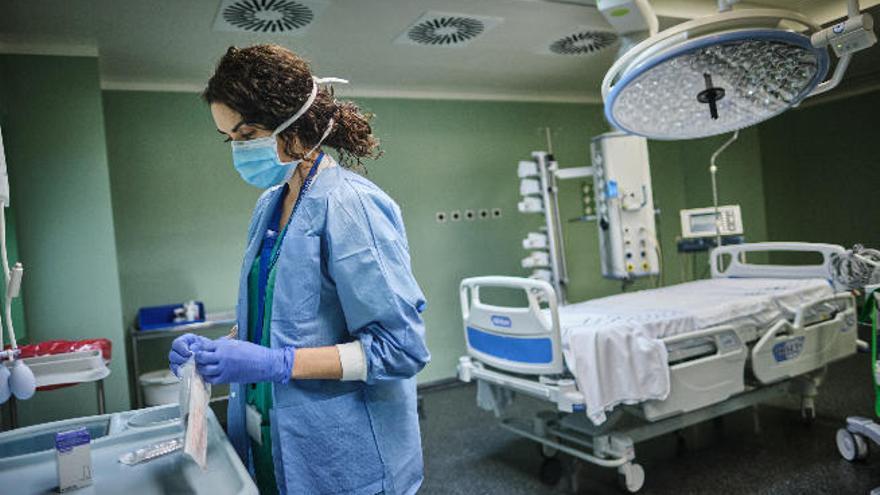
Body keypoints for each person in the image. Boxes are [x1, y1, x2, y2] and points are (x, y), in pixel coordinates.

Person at [168, 44, 430, 495]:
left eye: (247, 132)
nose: (238, 149)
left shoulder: (351, 206)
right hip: (271, 436)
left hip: (345, 456)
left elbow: (399, 349)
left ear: (293, 122)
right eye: (230, 138)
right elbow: (285, 312)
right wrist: (223, 349)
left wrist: (277, 362)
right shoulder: (269, 205)